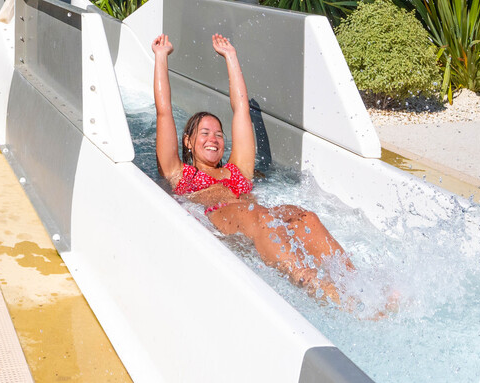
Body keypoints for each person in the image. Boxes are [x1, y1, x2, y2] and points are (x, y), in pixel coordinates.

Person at [152, 32, 357, 306]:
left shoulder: (237, 170)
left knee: (305, 217)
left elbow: (241, 110)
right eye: (204, 133)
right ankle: (310, 280)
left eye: (219, 134)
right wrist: (161, 57)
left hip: (260, 218)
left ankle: (353, 281)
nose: (213, 139)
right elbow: (164, 111)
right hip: (222, 219)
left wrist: (231, 56)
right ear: (188, 141)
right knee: (259, 215)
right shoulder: (180, 173)